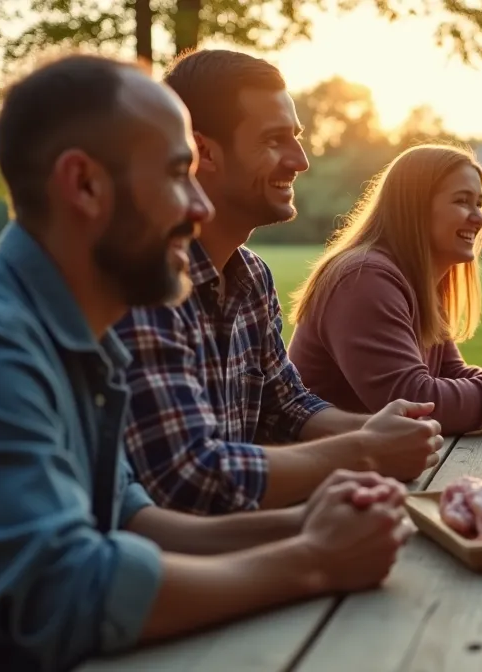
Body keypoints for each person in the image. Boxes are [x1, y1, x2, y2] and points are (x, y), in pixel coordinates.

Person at [0, 53, 418, 672]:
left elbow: (134, 522)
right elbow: (67, 590)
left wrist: (307, 524)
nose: (199, 208)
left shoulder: (76, 331)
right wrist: (311, 560)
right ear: (85, 185)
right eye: (179, 175)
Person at [111, 48, 440, 515]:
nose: (301, 160)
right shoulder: (149, 283)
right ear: (203, 152)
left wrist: (376, 431)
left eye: (297, 138)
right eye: (274, 140)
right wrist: (365, 450)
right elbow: (187, 482)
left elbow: (286, 405)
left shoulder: (252, 276)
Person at [286, 143, 482, 435]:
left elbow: (450, 374)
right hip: (330, 477)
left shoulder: (416, 276)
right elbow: (416, 402)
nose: (479, 218)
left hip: (379, 466)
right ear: (414, 206)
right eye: (462, 201)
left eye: (479, 203)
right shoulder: (363, 278)